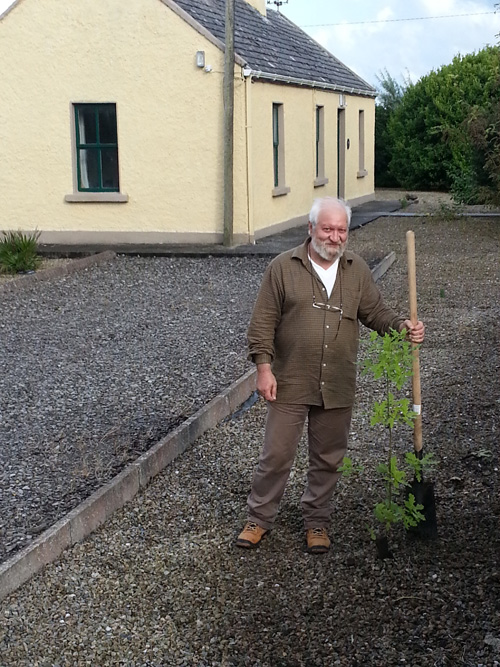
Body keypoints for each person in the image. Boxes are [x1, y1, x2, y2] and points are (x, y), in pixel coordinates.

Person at [236, 196, 425, 554]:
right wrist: (264, 369)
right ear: (311, 228)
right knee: (276, 455)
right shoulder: (282, 267)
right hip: (290, 380)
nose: (335, 237)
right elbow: (262, 323)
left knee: (328, 457)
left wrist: (403, 327)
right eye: (327, 229)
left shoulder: (356, 270)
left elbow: (376, 314)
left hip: (337, 381)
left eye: (341, 230)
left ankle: (317, 521)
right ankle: (258, 518)